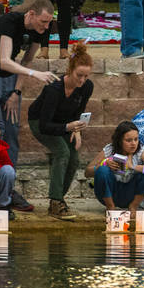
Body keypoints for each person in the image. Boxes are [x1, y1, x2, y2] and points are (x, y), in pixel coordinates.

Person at [0, 0, 58, 160]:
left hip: (9, 78)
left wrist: (16, 92)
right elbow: (4, 62)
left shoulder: (42, 29)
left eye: (49, 22)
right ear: (31, 14)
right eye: (43, 21)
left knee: (12, 131)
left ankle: (7, 179)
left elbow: (27, 59)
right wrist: (36, 74)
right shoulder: (9, 21)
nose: (46, 26)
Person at [28, 42, 95, 221]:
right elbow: (44, 125)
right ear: (70, 70)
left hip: (65, 122)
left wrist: (78, 130)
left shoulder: (87, 86)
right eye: (79, 75)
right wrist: (68, 127)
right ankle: (56, 201)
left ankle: (58, 199)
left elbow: (78, 110)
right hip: (40, 122)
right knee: (62, 152)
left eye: (86, 76)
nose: (82, 80)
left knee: (75, 159)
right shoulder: (54, 89)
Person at [85, 120, 144, 218]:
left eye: (136, 139)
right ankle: (110, 207)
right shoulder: (110, 149)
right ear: (119, 140)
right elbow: (87, 172)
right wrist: (104, 163)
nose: (133, 143)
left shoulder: (141, 150)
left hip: (131, 194)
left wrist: (133, 166)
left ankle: (133, 206)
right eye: (128, 140)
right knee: (102, 170)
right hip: (110, 193)